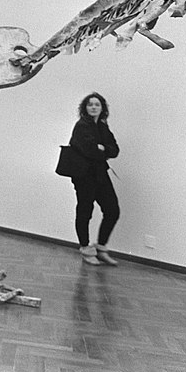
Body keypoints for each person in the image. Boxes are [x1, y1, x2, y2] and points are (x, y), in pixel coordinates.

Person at [68, 92, 120, 266]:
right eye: (90, 104)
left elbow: (115, 150)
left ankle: (101, 248)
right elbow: (89, 150)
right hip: (83, 175)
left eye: (97, 105)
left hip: (99, 173)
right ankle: (85, 248)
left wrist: (102, 148)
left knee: (112, 210)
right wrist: (102, 150)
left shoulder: (103, 127)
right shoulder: (82, 126)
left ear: (102, 108)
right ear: (85, 107)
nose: (93, 107)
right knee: (85, 211)